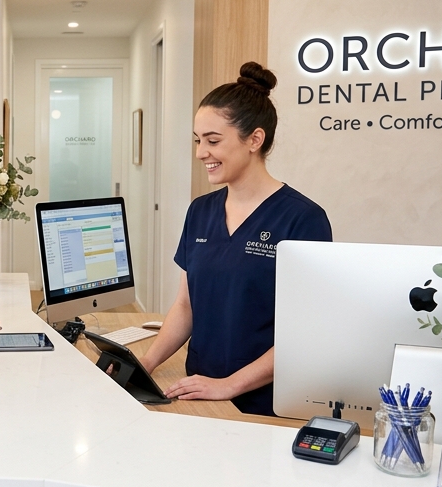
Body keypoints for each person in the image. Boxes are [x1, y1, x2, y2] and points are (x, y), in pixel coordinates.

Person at [138, 62, 332, 416]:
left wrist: (230, 384)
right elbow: (186, 306)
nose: (200, 153)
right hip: (198, 392)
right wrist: (144, 362)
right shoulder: (200, 211)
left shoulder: (303, 220)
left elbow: (304, 334)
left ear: (254, 140)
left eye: (213, 141)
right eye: (198, 141)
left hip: (263, 403)